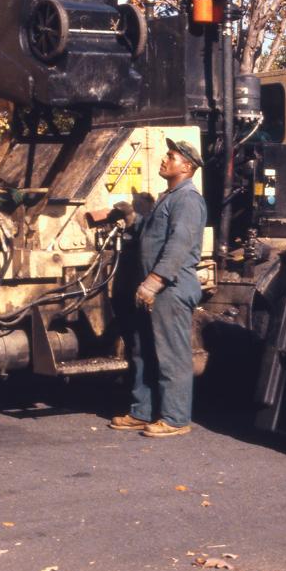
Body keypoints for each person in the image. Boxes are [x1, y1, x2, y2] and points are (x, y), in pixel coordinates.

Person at [109, 139, 207, 437]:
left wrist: (154, 281)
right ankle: (143, 411)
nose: (164, 160)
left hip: (170, 287)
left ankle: (176, 419)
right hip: (155, 287)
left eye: (171, 156)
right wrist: (132, 219)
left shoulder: (188, 199)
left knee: (171, 354)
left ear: (186, 166)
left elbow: (179, 244)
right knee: (143, 350)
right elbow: (154, 233)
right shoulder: (170, 196)